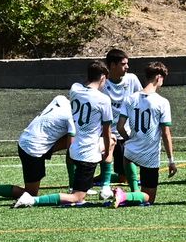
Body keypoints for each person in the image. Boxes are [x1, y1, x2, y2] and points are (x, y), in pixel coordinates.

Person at [15, 66, 114, 207]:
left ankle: (93, 187)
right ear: (103, 77)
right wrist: (107, 153)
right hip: (88, 153)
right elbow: (106, 131)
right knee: (78, 198)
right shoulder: (104, 99)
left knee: (78, 193)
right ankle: (33, 200)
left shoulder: (75, 88)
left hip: (74, 150)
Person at [0, 91, 74, 202]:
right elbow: (72, 147)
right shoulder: (71, 117)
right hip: (33, 149)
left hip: (26, 139)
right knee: (31, 194)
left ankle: (76, 185)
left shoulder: (60, 99)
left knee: (75, 141)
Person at [109, 61, 177, 207]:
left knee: (140, 194)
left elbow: (120, 127)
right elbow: (166, 133)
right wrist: (171, 160)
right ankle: (124, 195)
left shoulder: (130, 98)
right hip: (150, 155)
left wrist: (129, 140)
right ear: (158, 77)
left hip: (130, 152)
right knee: (149, 198)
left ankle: (129, 195)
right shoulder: (162, 102)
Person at [99, 47, 143, 194]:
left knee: (123, 177)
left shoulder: (132, 79)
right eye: (123, 64)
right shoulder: (102, 83)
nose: (127, 67)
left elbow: (141, 100)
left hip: (126, 133)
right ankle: (102, 181)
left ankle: (105, 178)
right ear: (112, 65)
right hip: (106, 133)